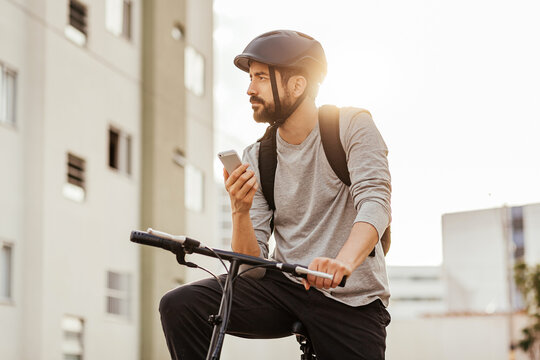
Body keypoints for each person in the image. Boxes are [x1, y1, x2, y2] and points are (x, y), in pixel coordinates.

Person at [159, 30, 392, 360]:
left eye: (260, 78)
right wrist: (240, 210)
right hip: (287, 288)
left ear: (297, 85)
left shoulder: (351, 126)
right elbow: (251, 270)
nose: (249, 89)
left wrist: (341, 263)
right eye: (250, 77)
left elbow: (376, 202)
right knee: (180, 305)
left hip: (351, 298)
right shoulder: (258, 156)